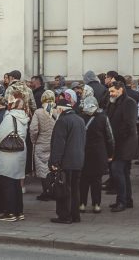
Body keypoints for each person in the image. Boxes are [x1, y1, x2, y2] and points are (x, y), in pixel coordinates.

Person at [0, 97, 29, 222]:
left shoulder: (9, 117)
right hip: (20, 151)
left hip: (8, 153)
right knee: (16, 183)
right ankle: (19, 212)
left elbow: (0, 135)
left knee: (7, 183)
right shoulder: (24, 117)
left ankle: (10, 212)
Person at [48, 92, 86, 224]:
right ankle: (75, 215)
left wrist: (54, 162)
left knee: (64, 189)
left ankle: (65, 216)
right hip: (78, 160)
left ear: (60, 109)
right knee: (75, 189)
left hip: (66, 161)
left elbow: (59, 144)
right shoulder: (80, 120)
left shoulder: (62, 121)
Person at [106, 79, 138, 213]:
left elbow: (129, 125)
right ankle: (126, 199)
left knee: (117, 171)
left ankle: (122, 201)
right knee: (123, 173)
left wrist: (116, 140)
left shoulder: (128, 103)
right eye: (110, 92)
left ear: (121, 90)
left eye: (113, 91)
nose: (111, 94)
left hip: (124, 145)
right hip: (118, 144)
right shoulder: (114, 102)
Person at [79, 95, 113, 214]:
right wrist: (110, 154)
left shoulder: (80, 117)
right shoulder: (103, 118)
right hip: (99, 153)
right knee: (97, 180)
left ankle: (82, 204)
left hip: (83, 153)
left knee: (83, 180)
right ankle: (96, 204)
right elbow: (110, 138)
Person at [29, 90, 57, 200]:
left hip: (41, 143)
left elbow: (33, 129)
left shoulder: (38, 112)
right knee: (53, 168)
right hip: (54, 144)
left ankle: (46, 191)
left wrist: (34, 140)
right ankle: (54, 190)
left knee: (42, 168)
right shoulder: (57, 112)